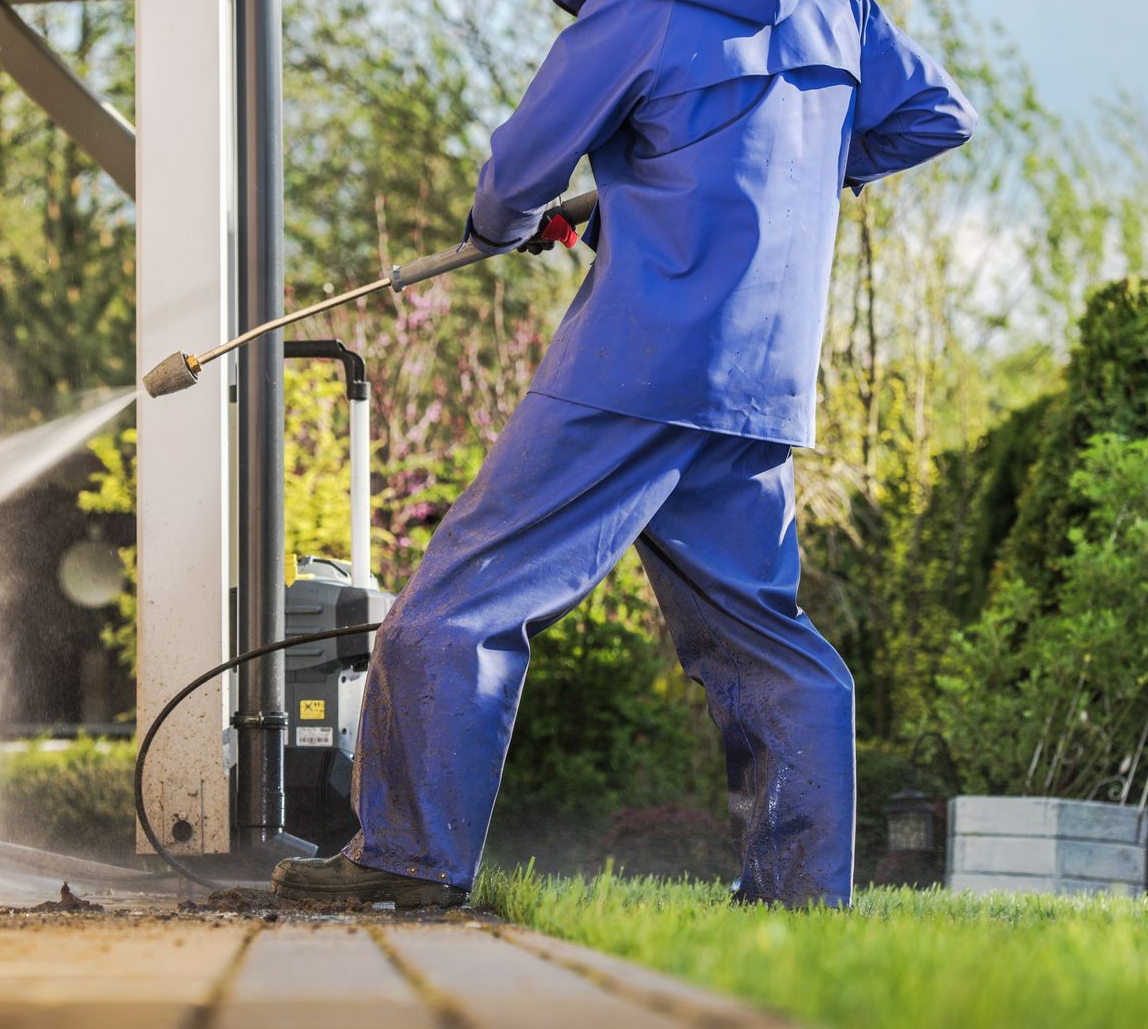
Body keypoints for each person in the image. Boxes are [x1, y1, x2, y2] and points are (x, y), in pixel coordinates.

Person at [275, 0, 974, 908]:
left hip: (637, 364)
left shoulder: (639, 9)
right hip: (760, 377)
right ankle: (800, 892)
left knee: (460, 598)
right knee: (764, 638)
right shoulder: (841, 9)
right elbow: (936, 115)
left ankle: (408, 857)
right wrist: (732, 178)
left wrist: (499, 226)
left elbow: (519, 169)